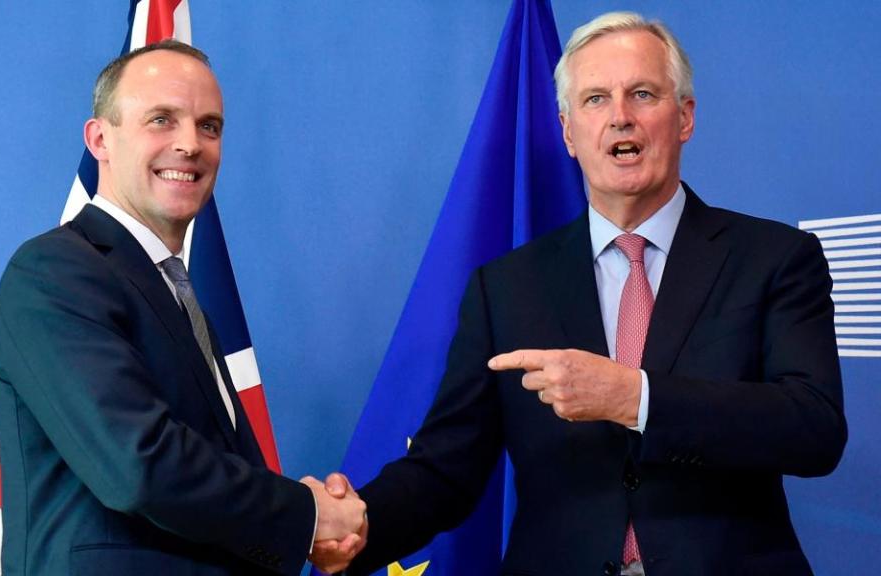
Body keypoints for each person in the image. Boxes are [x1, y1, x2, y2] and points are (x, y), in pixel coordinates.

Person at [313, 12, 846, 576]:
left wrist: (636, 398)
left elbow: (812, 428)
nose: (620, 117)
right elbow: (447, 467)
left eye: (642, 93)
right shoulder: (507, 287)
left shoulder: (775, 257)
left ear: (685, 117)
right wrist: (359, 526)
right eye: (595, 99)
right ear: (568, 132)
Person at [0, 40, 365, 575]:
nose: (190, 144)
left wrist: (301, 529)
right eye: (161, 119)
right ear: (100, 139)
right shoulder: (55, 272)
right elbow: (139, 466)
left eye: (209, 126)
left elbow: (204, 481)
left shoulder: (177, 294)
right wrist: (305, 515)